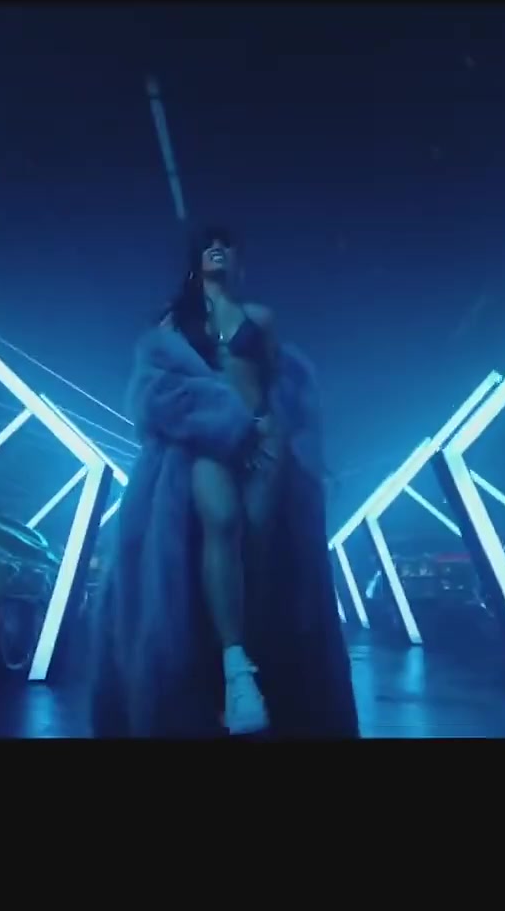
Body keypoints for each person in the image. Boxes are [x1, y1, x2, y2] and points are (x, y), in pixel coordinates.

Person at [88, 224, 358, 738]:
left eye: (226, 244)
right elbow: (156, 388)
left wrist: (285, 436)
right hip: (211, 442)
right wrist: (218, 422)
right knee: (223, 521)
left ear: (237, 260)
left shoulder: (260, 317)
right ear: (196, 261)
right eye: (208, 244)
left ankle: (246, 666)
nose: (217, 249)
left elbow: (279, 383)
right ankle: (236, 670)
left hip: (264, 440)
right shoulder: (174, 322)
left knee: (257, 546)